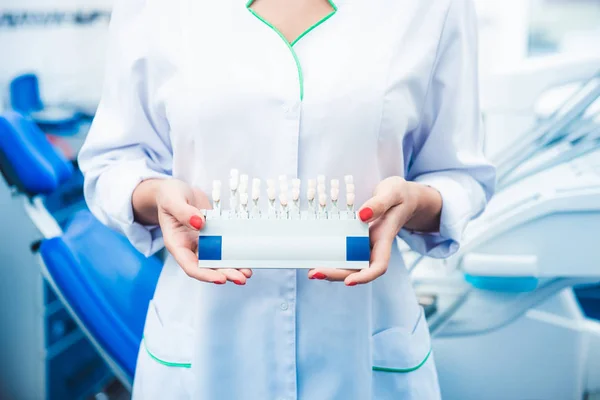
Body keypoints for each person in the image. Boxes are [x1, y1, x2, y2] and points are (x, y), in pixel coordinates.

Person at [78, 0, 495, 398]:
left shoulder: (431, 7)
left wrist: (413, 202)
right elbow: (113, 162)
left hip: (362, 343)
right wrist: (156, 197)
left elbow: (460, 175)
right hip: (203, 343)